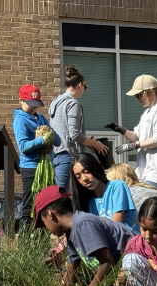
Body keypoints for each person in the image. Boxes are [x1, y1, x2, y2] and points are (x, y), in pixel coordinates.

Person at [35, 185, 132, 286]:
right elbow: (71, 273)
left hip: (129, 275)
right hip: (110, 279)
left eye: (43, 222)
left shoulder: (83, 223)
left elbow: (107, 262)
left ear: (50, 214)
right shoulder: (71, 233)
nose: (46, 227)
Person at [48, 65, 111, 197]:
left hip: (56, 154)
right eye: (85, 87)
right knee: (64, 197)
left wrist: (87, 142)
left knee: (60, 193)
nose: (84, 90)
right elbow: (75, 134)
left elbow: (64, 131)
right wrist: (95, 144)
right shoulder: (73, 104)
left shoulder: (56, 102)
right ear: (80, 85)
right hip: (68, 155)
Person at [108, 75, 157, 197]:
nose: (137, 98)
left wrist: (135, 145)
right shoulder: (147, 112)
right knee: (148, 202)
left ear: (151, 91)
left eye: (139, 94)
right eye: (135, 96)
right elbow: (138, 137)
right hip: (145, 169)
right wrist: (122, 130)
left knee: (149, 201)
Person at [11, 83, 58, 227]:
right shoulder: (20, 120)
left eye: (36, 104)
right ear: (21, 100)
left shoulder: (41, 118)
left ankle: (42, 236)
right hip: (30, 167)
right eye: (30, 104)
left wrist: (53, 135)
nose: (34, 108)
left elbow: (56, 140)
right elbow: (23, 147)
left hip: (47, 166)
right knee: (30, 204)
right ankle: (24, 238)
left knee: (48, 204)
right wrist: (43, 139)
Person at [72, 154, 134, 224]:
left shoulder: (117, 186)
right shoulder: (88, 201)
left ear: (96, 167)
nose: (84, 178)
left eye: (87, 172)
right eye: (78, 177)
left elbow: (116, 226)